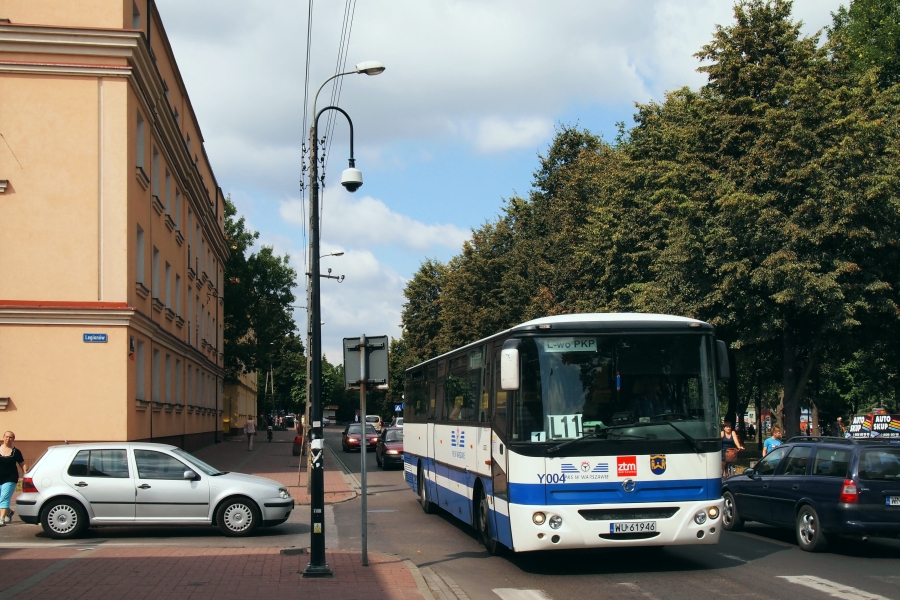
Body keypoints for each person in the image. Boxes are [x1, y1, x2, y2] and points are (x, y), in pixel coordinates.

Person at [0, 431, 26, 526]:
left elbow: (22, 464)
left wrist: (26, 474)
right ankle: (9, 512)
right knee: (1, 499)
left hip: (10, 478)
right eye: (6, 437)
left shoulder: (16, 452)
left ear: (13, 439)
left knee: (4, 498)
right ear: (3, 437)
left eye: (10, 437)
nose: (8, 439)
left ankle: (1, 519)